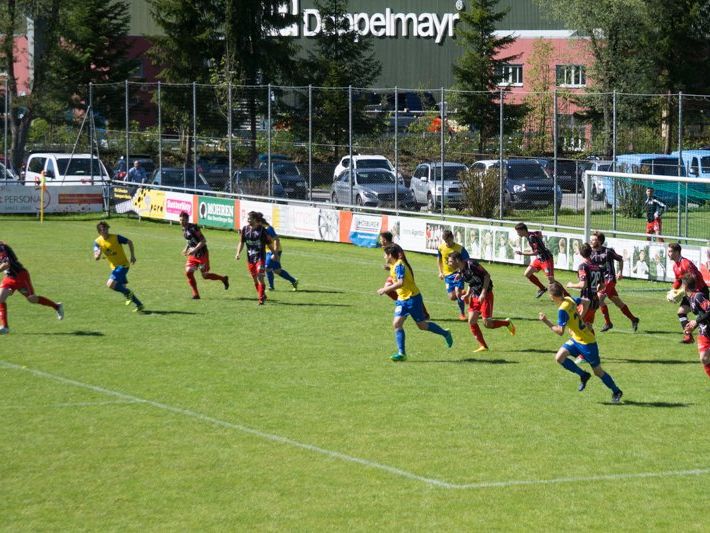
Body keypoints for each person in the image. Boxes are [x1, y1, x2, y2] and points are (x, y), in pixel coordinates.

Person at [538, 282, 623, 404]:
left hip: (587, 343)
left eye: (550, 295)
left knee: (598, 371)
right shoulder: (568, 299)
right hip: (577, 339)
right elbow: (586, 302)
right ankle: (583, 375)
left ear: (552, 296)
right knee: (559, 357)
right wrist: (581, 319)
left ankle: (616, 391)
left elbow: (560, 331)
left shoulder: (562, 310)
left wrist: (546, 321)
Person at [377, 244, 453, 361]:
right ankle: (402, 353)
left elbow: (401, 282)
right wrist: (389, 268)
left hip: (412, 298)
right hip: (402, 300)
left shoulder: (399, 266)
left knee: (422, 325)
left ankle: (445, 333)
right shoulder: (394, 265)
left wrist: (385, 289)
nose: (384, 257)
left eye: (385, 254)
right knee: (397, 324)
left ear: (390, 255)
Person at [447, 251, 515, 353]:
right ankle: (483, 346)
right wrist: (468, 294)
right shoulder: (460, 270)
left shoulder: (472, 264)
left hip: (486, 295)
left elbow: (487, 276)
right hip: (474, 296)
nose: (449, 263)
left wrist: (483, 293)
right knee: (471, 321)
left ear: (457, 260)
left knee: (487, 324)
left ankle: (506, 323)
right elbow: (471, 282)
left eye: (450, 261)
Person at [0, 241, 63, 334]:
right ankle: (5, 327)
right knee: (0, 298)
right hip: (9, 278)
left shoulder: (1, 248)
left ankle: (57, 306)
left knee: (32, 299)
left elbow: (6, 264)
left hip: (20, 276)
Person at [589, 231, 639, 332]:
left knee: (599, 298)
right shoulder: (591, 253)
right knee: (618, 302)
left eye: (593, 240)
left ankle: (608, 323)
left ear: (599, 241)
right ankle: (634, 319)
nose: (591, 241)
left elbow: (620, 259)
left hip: (610, 279)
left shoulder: (608, 251)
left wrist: (620, 272)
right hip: (601, 281)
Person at [93, 221, 144, 312]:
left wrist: (132, 255)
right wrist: (99, 254)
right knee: (122, 287)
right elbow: (96, 257)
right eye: (103, 230)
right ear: (99, 232)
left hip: (123, 265)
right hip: (114, 267)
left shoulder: (116, 237)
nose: (105, 231)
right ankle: (139, 305)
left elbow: (129, 242)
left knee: (110, 284)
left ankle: (129, 294)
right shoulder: (97, 242)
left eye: (106, 229)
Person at [379, 231, 430, 320]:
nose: (380, 241)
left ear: (385, 240)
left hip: (404, 272)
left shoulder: (395, 248)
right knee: (389, 289)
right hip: (394, 273)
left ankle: (424, 313)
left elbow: (400, 261)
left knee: (412, 292)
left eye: (381, 239)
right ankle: (404, 304)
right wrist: (390, 267)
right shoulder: (387, 248)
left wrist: (393, 267)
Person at [179, 211, 229, 299]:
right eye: (181, 220)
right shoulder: (184, 229)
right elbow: (190, 241)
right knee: (188, 272)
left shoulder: (194, 228)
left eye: (184, 220)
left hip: (202, 254)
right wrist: (186, 248)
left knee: (205, 276)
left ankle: (223, 279)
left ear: (187, 220)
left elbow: (203, 241)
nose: (182, 222)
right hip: (193, 255)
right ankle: (196, 294)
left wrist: (194, 250)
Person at [667, 243, 709, 344]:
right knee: (681, 312)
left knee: (703, 316)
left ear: (677, 252)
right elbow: (678, 280)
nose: (668, 254)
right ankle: (688, 336)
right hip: (690, 293)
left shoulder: (686, 263)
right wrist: (672, 291)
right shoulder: (675, 266)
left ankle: (705, 337)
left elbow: (693, 279)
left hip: (700, 292)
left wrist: (681, 292)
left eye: (670, 251)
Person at [514, 222, 567, 298]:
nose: (518, 233)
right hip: (539, 259)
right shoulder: (530, 235)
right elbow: (539, 233)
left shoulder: (531, 237)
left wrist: (522, 253)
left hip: (546, 258)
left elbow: (536, 252)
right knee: (527, 274)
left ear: (523, 230)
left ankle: (566, 295)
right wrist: (540, 236)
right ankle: (542, 288)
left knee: (551, 280)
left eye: (518, 231)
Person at [236, 211, 276, 305]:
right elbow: (241, 242)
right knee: (254, 279)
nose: (248, 220)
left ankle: (261, 299)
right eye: (248, 218)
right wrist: (238, 253)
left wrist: (275, 253)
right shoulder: (245, 229)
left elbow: (269, 243)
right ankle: (262, 295)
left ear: (255, 219)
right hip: (250, 258)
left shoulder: (262, 230)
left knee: (260, 277)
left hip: (260, 258)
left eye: (250, 218)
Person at [258, 213, 298, 291]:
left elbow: (277, 240)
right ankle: (294, 281)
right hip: (268, 251)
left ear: (259, 222)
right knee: (277, 270)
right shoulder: (262, 229)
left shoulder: (268, 228)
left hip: (275, 251)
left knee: (267, 267)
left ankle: (271, 287)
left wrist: (275, 253)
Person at [566, 243, 603, 327]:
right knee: (588, 326)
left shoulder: (583, 266)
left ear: (580, 253)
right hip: (595, 300)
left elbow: (583, 284)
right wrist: (595, 290)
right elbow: (602, 286)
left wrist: (571, 285)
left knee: (576, 325)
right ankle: (591, 340)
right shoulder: (597, 266)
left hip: (586, 300)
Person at [681, 274, 710, 379]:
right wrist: (693, 325)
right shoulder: (691, 298)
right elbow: (702, 315)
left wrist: (696, 321)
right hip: (704, 330)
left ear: (685, 287)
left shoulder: (698, 296)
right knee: (704, 359)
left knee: (705, 358)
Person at [436, 229, 469, 320]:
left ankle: (462, 314)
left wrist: (461, 271)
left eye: (449, 241)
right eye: (446, 241)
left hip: (458, 273)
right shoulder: (441, 248)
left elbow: (466, 260)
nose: (448, 243)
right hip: (447, 275)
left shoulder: (460, 248)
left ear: (452, 238)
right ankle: (464, 294)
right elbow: (439, 260)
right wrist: (440, 272)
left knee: (458, 293)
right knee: (452, 297)